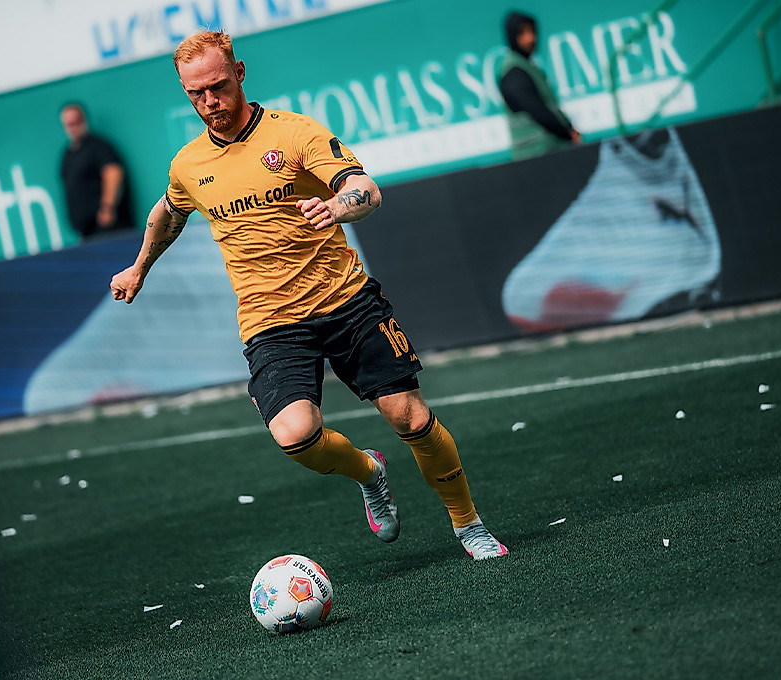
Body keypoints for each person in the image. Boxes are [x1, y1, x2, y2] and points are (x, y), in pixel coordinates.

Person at [109, 31, 507, 560]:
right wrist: (140, 266)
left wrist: (338, 207)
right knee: (295, 435)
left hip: (345, 301)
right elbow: (169, 210)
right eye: (196, 94)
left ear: (240, 73)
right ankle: (370, 472)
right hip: (270, 321)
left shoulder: (295, 134)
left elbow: (364, 188)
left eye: (219, 87)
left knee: (410, 417)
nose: (210, 103)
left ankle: (468, 524)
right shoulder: (188, 165)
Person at [497, 11, 581, 161]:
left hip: (550, 149)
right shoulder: (514, 72)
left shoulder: (528, 66)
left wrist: (568, 128)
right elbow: (537, 111)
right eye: (522, 33)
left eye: (532, 31)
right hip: (536, 155)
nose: (530, 39)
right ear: (512, 36)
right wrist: (566, 133)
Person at [59, 103, 134, 238]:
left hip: (109, 228)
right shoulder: (68, 154)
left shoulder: (99, 147)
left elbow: (113, 174)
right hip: (87, 232)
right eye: (69, 124)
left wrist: (107, 208)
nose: (73, 127)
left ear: (84, 120)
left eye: (76, 122)